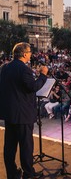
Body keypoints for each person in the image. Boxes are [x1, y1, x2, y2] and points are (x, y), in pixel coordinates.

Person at [0, 42, 48, 179]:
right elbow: (32, 87)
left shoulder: (4, 67)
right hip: (23, 115)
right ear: (25, 54)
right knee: (26, 146)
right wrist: (43, 75)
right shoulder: (24, 69)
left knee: (9, 147)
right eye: (30, 52)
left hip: (9, 114)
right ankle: (28, 174)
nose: (31, 55)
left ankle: (12, 173)